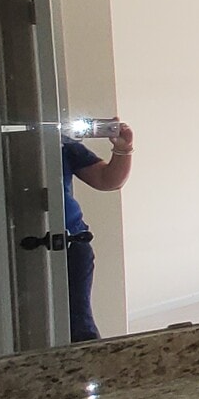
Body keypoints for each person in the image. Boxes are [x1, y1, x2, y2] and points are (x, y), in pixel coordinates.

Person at [63, 119, 134, 341]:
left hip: (72, 244)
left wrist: (123, 148)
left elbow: (107, 180)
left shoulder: (63, 145)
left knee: (80, 328)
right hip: (29, 242)